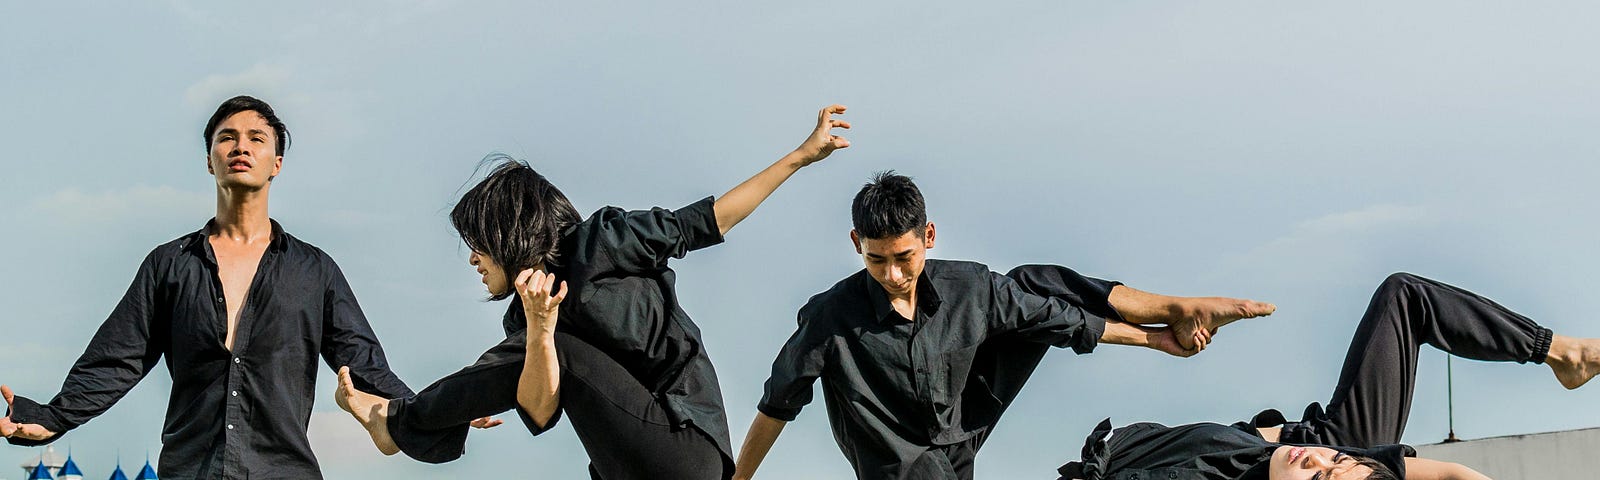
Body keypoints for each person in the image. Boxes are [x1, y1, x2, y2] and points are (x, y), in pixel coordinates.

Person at [333, 105, 854, 479]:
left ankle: (401, 423)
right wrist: (538, 330)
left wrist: (802, 155)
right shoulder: (522, 319)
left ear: (509, 233)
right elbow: (541, 412)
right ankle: (411, 423)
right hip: (621, 465)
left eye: (478, 245)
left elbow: (709, 221)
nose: (472, 258)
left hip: (686, 448)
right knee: (544, 343)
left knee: (554, 344)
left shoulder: (603, 241)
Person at [733, 172, 1278, 480]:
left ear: (929, 236)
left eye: (904, 256)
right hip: (897, 465)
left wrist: (1155, 340)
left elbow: (1059, 320)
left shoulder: (970, 286)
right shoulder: (829, 317)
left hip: (963, 427)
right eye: (877, 261)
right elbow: (777, 401)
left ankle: (1175, 307)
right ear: (857, 246)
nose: (894, 275)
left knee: (1033, 284)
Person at [0, 95, 418, 479]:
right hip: (190, 471)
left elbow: (364, 364)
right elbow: (115, 360)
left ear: (276, 163)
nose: (241, 147)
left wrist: (436, 410)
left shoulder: (314, 270)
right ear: (208, 160)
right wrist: (52, 418)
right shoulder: (169, 265)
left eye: (257, 138)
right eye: (227, 138)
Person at [1058, 272, 1600, 480]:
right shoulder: (1344, 458)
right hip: (1318, 434)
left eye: (1323, 474)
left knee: (1031, 292)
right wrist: (1343, 457)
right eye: (1334, 469)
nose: (1316, 463)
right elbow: (1456, 477)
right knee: (1404, 297)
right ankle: (1562, 355)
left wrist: (1154, 332)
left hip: (1280, 441)